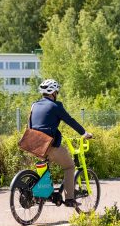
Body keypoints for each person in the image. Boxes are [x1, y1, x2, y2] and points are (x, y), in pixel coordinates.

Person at [30, 79, 93, 207]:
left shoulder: (34, 105)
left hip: (33, 144)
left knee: (44, 165)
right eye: (56, 91)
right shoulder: (56, 106)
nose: (57, 93)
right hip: (49, 145)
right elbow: (70, 120)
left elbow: (31, 125)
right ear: (53, 92)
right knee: (69, 166)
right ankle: (69, 198)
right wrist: (84, 133)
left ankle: (44, 193)